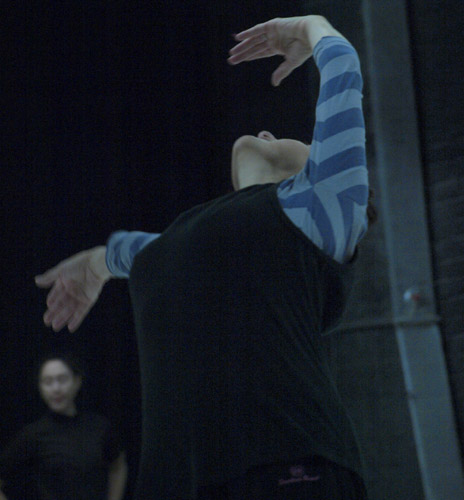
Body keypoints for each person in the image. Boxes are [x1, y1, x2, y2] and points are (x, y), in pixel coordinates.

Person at [35, 15, 373, 499]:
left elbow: (343, 68)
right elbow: (136, 250)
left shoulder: (324, 206)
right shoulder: (182, 241)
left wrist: (312, 26)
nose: (268, 133)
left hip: (289, 468)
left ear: (317, 169)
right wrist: (95, 264)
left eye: (293, 141)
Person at [0, 355, 128, 500]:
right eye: (48, 382)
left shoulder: (99, 426)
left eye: (62, 379)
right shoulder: (33, 434)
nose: (56, 388)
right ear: (40, 387)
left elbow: (118, 465)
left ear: (77, 382)